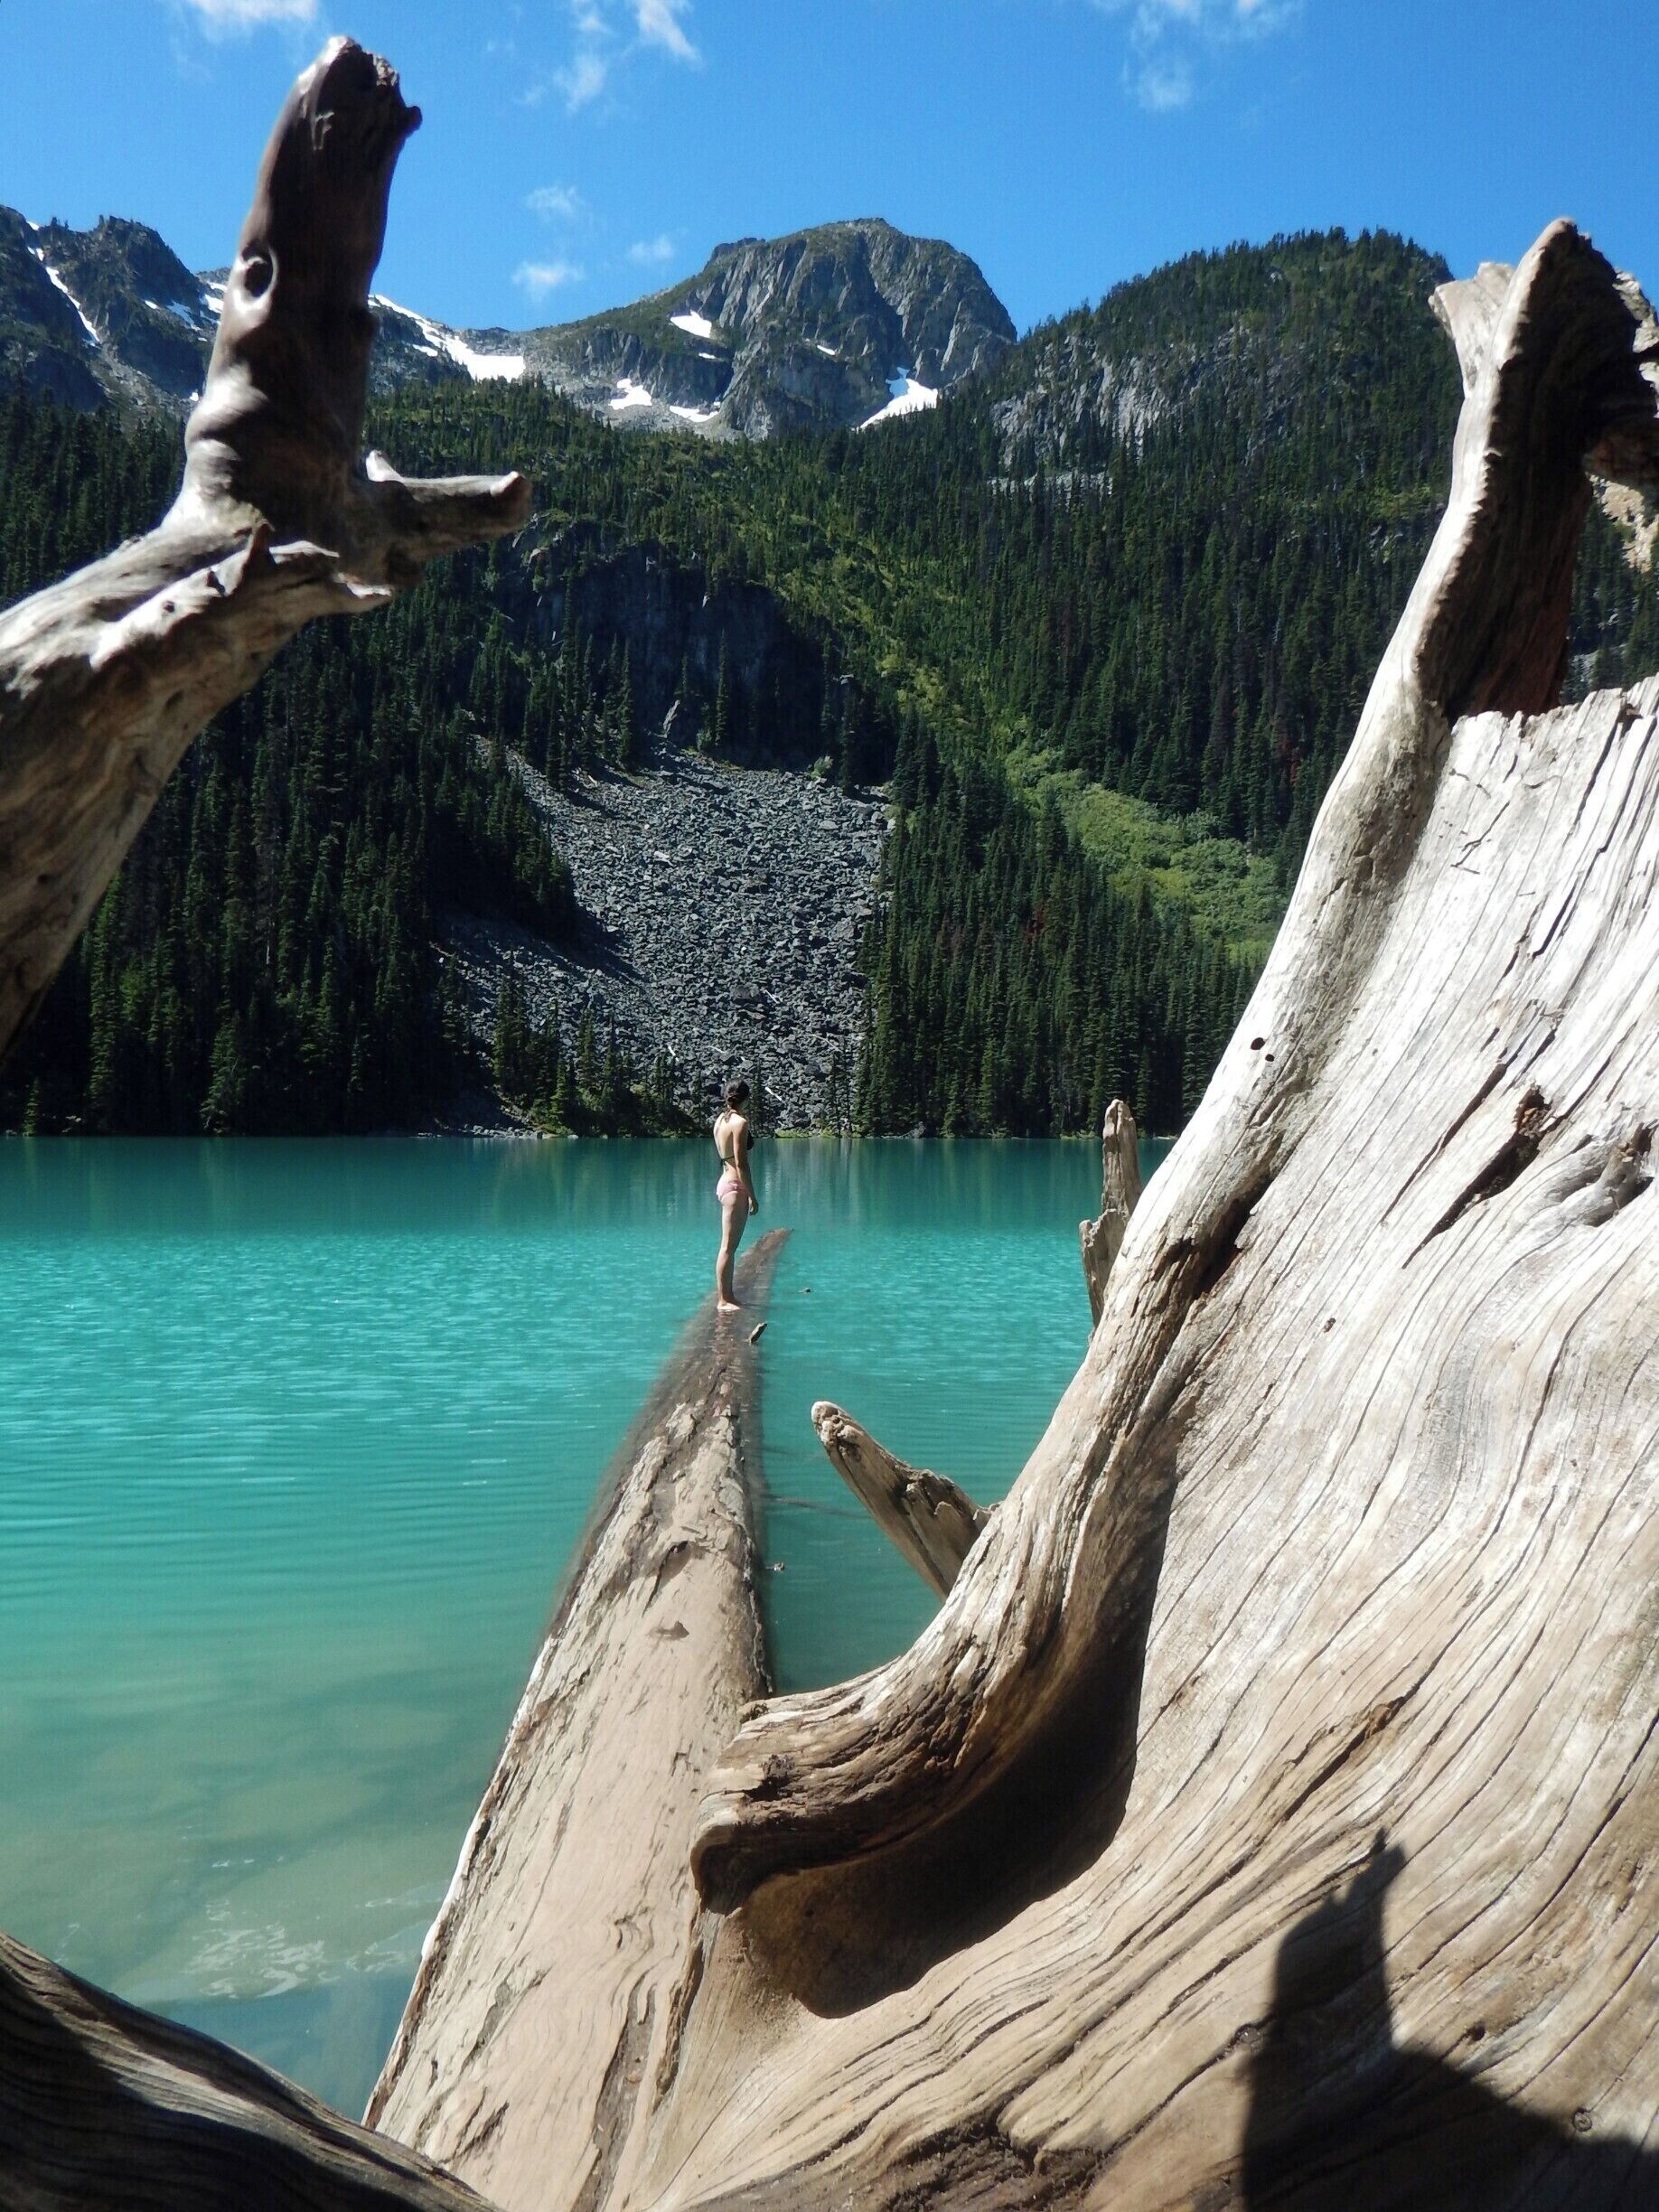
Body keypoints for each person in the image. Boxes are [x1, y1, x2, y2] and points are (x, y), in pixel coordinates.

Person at [712, 1080, 758, 1311]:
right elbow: (741, 1163)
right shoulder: (740, 1123)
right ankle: (725, 1300)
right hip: (735, 1187)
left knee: (727, 1247)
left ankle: (727, 1297)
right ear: (746, 1098)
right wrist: (752, 1195)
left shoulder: (720, 1121)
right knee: (728, 1247)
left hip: (723, 1183)